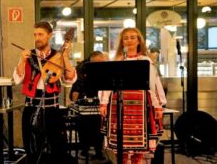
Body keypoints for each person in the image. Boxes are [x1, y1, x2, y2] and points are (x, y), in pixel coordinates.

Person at [99, 28, 167, 164]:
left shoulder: (145, 61)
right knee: (120, 148)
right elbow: (107, 85)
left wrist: (158, 106)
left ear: (138, 41)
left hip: (140, 106)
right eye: (126, 38)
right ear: (121, 42)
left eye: (132, 37)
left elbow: (154, 85)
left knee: (139, 149)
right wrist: (103, 102)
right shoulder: (117, 60)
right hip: (118, 105)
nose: (129, 40)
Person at [13, 22, 77, 164]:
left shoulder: (57, 55)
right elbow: (17, 79)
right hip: (32, 109)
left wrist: (65, 57)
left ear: (50, 35)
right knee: (33, 150)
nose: (37, 38)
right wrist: (21, 60)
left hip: (53, 110)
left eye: (40, 34)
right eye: (35, 34)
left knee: (58, 151)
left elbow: (70, 80)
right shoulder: (28, 56)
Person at [69, 51, 105, 159]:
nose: (99, 65)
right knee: (84, 126)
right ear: (91, 61)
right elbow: (77, 86)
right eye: (97, 63)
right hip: (84, 98)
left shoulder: (103, 68)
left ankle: (99, 151)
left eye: (101, 63)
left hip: (99, 99)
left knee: (99, 126)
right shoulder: (82, 68)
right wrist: (75, 103)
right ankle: (84, 150)